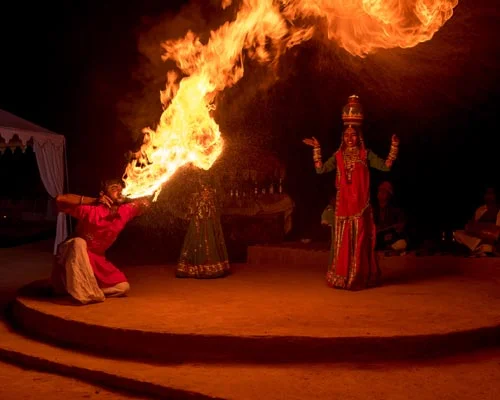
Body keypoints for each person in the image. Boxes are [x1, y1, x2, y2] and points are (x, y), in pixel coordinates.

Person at [303, 95, 399, 290]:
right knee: (344, 243)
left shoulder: (366, 155)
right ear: (342, 137)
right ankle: (341, 277)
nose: (349, 138)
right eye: (346, 135)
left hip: (361, 208)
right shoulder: (338, 156)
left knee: (361, 242)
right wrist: (317, 149)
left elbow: (387, 167)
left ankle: (360, 277)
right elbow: (320, 169)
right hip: (343, 208)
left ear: (359, 136)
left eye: (353, 135)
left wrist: (394, 147)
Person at [51, 179, 150, 304]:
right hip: (70, 258)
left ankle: (91, 291)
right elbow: (59, 200)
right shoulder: (91, 210)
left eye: (121, 188)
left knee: (123, 287)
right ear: (103, 194)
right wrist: (93, 200)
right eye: (114, 188)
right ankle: (75, 289)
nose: (120, 191)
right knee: (79, 242)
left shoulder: (125, 211)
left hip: (96, 259)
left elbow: (145, 203)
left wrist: (145, 194)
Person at [176, 174, 230, 279]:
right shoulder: (208, 193)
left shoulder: (202, 194)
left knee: (205, 240)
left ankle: (202, 268)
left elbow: (192, 210)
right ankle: (202, 268)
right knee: (204, 240)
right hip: (203, 221)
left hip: (203, 221)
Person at [454, 187, 500, 257]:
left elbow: (496, 232)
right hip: (477, 239)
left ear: (495, 196)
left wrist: (486, 233)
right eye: (487, 194)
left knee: (490, 244)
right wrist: (472, 229)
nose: (489, 196)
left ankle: (482, 250)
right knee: (457, 233)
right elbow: (473, 226)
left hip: (490, 241)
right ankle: (478, 250)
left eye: (491, 194)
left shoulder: (498, 210)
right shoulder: (480, 210)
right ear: (484, 196)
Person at [373, 181, 408, 254]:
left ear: (389, 195)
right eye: (380, 191)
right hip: (378, 239)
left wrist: (398, 227)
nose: (380, 194)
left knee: (402, 243)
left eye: (383, 192)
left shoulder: (395, 209)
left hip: (391, 239)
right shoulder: (373, 210)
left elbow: (401, 224)